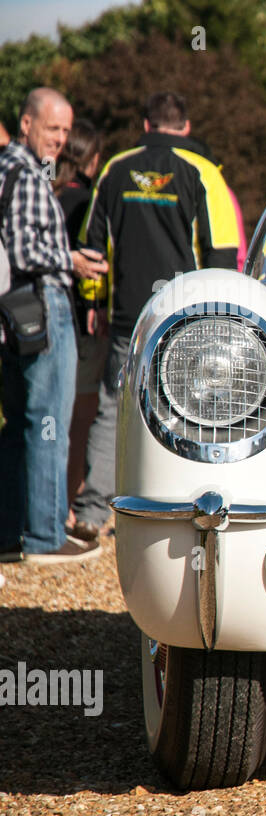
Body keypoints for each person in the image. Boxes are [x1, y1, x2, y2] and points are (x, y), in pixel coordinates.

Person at [71, 91, 242, 540]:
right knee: (190, 412)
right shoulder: (204, 171)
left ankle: (91, 514)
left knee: (111, 409)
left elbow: (92, 249)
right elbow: (224, 253)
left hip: (128, 316)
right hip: (186, 322)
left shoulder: (115, 169)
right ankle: (181, 508)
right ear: (184, 128)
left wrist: (93, 303)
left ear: (146, 126)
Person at [0, 88, 108, 565]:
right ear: (26, 124)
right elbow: (25, 251)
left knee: (20, 422)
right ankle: (45, 536)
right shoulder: (23, 173)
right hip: (43, 303)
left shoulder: (11, 167)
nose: (61, 140)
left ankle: (9, 534)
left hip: (18, 308)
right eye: (52, 129)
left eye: (66, 131)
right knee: (48, 421)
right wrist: (73, 260)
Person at [53, 118, 103, 518]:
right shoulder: (88, 202)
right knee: (80, 423)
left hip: (40, 317)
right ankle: (65, 506)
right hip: (77, 320)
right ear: (93, 158)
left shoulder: (48, 193)